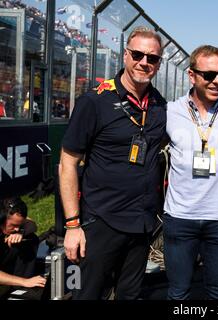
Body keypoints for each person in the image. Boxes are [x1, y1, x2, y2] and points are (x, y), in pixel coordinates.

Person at [59, 26, 167, 300]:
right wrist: (72, 226)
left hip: (141, 224)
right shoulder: (94, 101)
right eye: (138, 54)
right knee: (87, 294)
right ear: (125, 55)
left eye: (152, 58)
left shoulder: (159, 105)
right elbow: (67, 164)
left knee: (129, 296)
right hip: (101, 222)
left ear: (159, 63)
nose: (144, 62)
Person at [163, 45, 218, 300]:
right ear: (192, 76)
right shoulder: (170, 112)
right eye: (209, 75)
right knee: (178, 292)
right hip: (180, 217)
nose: (217, 81)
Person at [0, 198, 46, 296]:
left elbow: (32, 224)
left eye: (19, 225)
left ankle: (18, 289)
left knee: (30, 238)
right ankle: (20, 283)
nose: (16, 228)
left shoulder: (11, 218)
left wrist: (21, 233)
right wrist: (24, 281)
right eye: (13, 225)